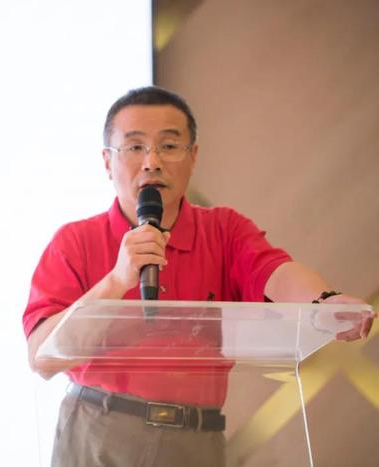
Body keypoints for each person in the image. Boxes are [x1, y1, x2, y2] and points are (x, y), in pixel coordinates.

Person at [21, 86, 374, 467]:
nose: (152, 162)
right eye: (135, 147)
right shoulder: (74, 241)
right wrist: (117, 280)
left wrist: (324, 303)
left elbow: (275, 272)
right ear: (107, 162)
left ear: (193, 157)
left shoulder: (223, 230)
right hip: (101, 431)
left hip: (195, 438)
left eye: (169, 146)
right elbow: (42, 357)